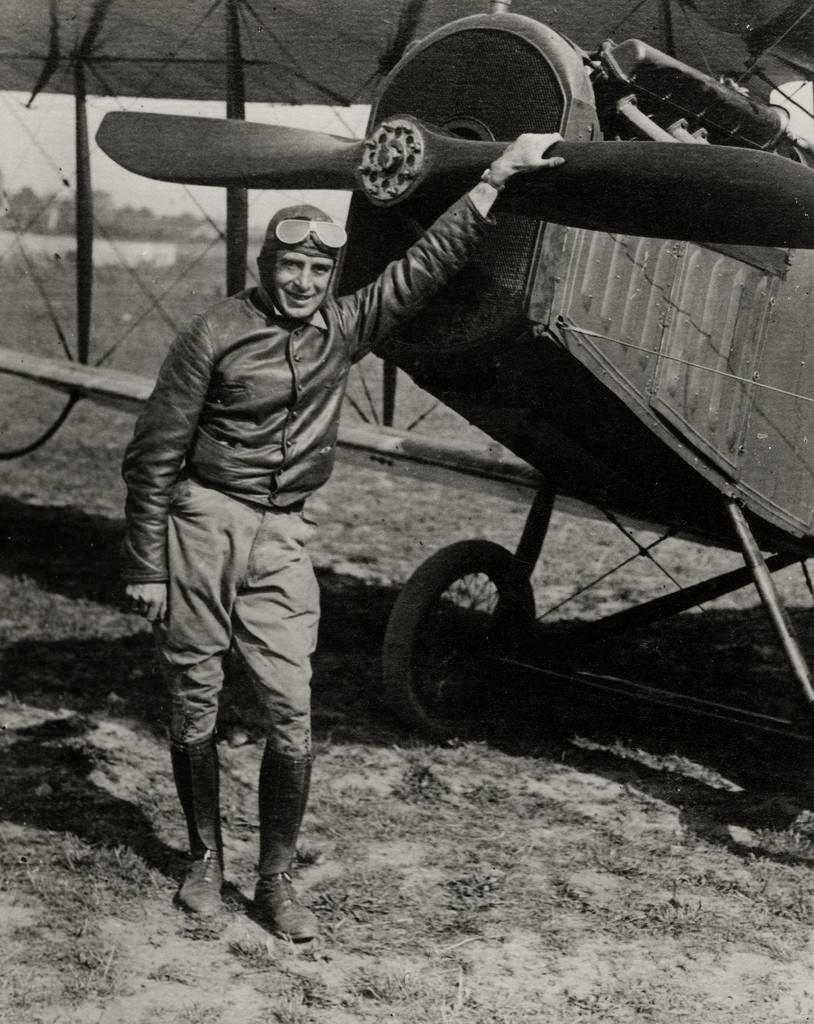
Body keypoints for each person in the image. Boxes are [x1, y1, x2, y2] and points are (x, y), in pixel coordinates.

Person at [122, 132, 565, 941]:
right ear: (266, 266)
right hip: (203, 526)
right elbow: (152, 457)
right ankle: (202, 861)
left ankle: (276, 879)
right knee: (196, 701)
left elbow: (422, 269)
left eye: (319, 270)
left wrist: (495, 180)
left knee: (291, 710)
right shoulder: (212, 335)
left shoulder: (344, 325)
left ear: (332, 275)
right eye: (290, 267)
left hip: (283, 540)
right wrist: (147, 566)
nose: (303, 281)